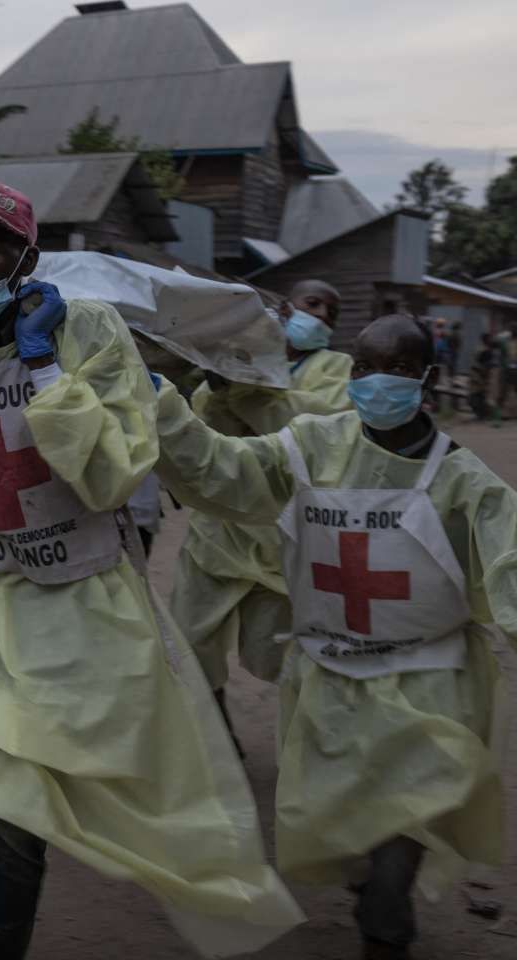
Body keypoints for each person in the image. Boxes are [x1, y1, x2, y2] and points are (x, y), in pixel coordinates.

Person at [0, 181, 303, 959]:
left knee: (21, 800)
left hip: (82, 610)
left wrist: (40, 368)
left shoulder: (89, 334)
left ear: (26, 260)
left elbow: (107, 476)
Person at [152, 314, 516, 960]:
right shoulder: (310, 445)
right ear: (351, 374)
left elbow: (508, 561)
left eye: (400, 369)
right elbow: (221, 468)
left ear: (426, 378)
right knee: (342, 825)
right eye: (368, 367)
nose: (382, 382)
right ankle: (376, 890)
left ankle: (387, 923)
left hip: (427, 678)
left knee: (407, 814)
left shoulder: (464, 480)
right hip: (329, 675)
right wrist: (155, 400)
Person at [167, 280, 352, 740]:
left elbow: (317, 426)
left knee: (279, 651)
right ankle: (215, 735)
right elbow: (204, 435)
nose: (322, 316)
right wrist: (219, 387)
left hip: (282, 534)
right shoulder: (237, 357)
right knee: (189, 640)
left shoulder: (334, 367)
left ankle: (314, 744)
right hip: (218, 530)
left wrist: (249, 390)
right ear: (285, 308)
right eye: (314, 303)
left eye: (331, 312)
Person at [468, 333, 497, 421]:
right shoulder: (484, 350)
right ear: (485, 340)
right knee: (477, 395)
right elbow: (483, 365)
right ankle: (481, 415)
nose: (490, 340)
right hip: (478, 375)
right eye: (489, 339)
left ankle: (482, 415)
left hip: (479, 376)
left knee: (479, 395)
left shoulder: (482, 349)